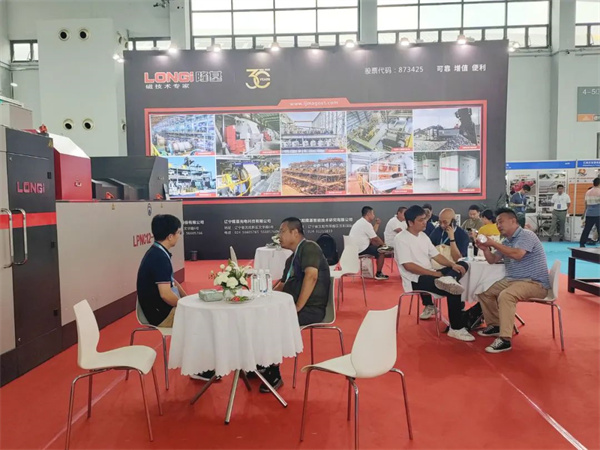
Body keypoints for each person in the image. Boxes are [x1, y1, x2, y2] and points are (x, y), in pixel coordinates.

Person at [262, 218, 331, 393]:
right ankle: (261, 363)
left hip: (311, 309)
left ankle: (274, 372)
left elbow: (311, 276)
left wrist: (297, 307)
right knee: (260, 315)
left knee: (274, 321)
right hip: (291, 306)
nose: (279, 236)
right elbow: (283, 284)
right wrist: (263, 299)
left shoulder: (309, 247)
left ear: (295, 232)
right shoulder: (291, 259)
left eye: (282, 231)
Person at [475, 208, 550, 353]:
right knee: (483, 291)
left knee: (506, 296)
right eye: (497, 223)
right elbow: (492, 260)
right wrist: (485, 249)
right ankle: (495, 325)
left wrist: (493, 243)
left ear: (513, 221)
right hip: (513, 280)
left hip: (534, 283)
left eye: (501, 222)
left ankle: (505, 339)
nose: (498, 226)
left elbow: (518, 254)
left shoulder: (526, 235)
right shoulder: (506, 241)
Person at [394, 205, 474, 342]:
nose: (425, 222)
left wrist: (452, 265)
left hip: (431, 273)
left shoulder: (423, 236)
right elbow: (409, 266)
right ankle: (456, 328)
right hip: (416, 279)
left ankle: (449, 278)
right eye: (421, 220)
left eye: (425, 219)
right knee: (453, 289)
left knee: (463, 264)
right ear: (410, 223)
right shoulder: (401, 239)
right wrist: (435, 274)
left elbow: (436, 255)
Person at [349, 206, 389, 280]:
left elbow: (372, 233)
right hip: (361, 249)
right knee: (382, 251)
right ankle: (379, 274)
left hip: (356, 248)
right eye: (373, 213)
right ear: (368, 214)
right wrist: (384, 245)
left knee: (378, 246)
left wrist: (377, 224)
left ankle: (378, 272)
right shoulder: (365, 224)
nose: (374, 215)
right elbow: (375, 238)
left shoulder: (362, 222)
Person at [580, 178, 600, 247]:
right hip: (598, 212)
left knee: (586, 229)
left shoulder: (588, 192)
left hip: (589, 213)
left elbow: (586, 203)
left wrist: (584, 213)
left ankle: (582, 243)